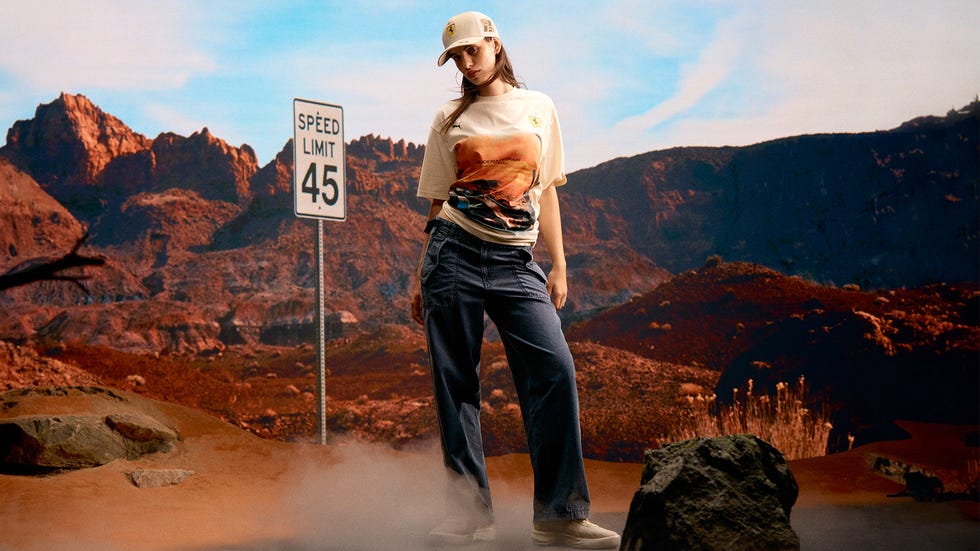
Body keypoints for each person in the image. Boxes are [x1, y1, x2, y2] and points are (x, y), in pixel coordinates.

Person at [410, 11, 621, 549]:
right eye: (455, 57)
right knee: (456, 384)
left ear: (495, 44)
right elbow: (437, 203)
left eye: (472, 51)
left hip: (516, 263)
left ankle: (560, 515)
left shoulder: (538, 108)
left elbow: (546, 189)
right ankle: (469, 514)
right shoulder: (447, 118)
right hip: (451, 254)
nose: (465, 62)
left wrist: (559, 264)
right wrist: (421, 276)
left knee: (554, 370)